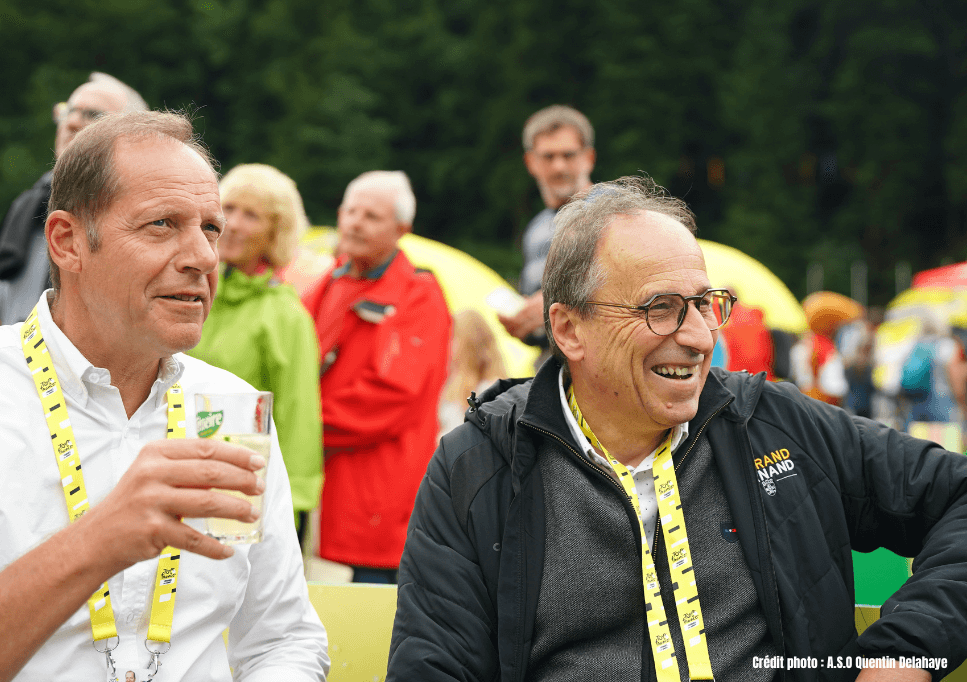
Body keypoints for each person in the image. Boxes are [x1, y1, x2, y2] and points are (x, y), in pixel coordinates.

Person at [389, 176, 967, 681]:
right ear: (568, 330)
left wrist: (907, 653)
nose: (697, 336)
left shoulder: (776, 426)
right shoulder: (481, 465)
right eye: (660, 307)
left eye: (705, 303)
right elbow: (434, 664)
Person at [0, 111, 329, 681]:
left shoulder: (227, 409)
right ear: (67, 242)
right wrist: (99, 541)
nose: (202, 257)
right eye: (162, 225)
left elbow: (281, 637)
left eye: (211, 228)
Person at [302, 170, 451, 584]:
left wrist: (301, 427)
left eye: (371, 216)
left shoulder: (418, 294)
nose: (354, 222)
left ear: (402, 229)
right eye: (350, 211)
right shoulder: (327, 282)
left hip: (377, 504)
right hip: (320, 489)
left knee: (371, 632)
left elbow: (391, 397)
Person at [189, 163, 323, 537]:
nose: (233, 223)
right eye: (228, 209)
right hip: (176, 474)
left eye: (251, 215)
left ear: (274, 233)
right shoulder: (189, 293)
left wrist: (292, 506)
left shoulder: (284, 313)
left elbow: (298, 414)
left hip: (242, 490)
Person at [0, 72, 147, 330]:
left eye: (93, 115)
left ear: (132, 135)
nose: (73, 122)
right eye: (68, 110)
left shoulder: (146, 216)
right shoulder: (27, 207)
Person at [498, 105, 594, 347]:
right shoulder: (536, 228)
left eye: (569, 155)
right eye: (548, 156)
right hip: (550, 366)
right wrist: (522, 322)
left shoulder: (612, 210)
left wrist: (550, 304)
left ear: (588, 158)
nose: (559, 166)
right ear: (531, 162)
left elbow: (627, 289)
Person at [438, 308, 507, 437]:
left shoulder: (491, 391)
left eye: (452, 338)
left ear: (470, 342)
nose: (446, 344)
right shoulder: (450, 385)